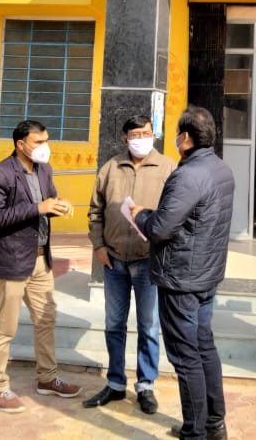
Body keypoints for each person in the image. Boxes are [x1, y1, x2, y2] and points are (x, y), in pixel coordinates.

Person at [130, 106, 234, 440]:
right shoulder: (221, 169)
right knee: (204, 348)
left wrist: (139, 214)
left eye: (177, 133)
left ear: (185, 137)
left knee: (186, 356)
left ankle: (195, 432)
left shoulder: (187, 175)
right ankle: (214, 424)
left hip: (181, 278)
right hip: (205, 274)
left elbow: (160, 229)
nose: (175, 139)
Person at [0, 119, 81, 412]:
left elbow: (49, 202)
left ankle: (47, 378)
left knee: (46, 320)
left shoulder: (44, 169)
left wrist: (59, 205)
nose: (45, 147)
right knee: (5, 328)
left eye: (46, 141)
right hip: (11, 261)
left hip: (41, 260)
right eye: (39, 142)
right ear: (20, 144)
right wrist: (39, 207)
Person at [84, 115, 175, 414]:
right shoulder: (110, 168)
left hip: (149, 260)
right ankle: (115, 383)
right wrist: (99, 245)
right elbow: (95, 210)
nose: (141, 139)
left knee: (148, 325)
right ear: (125, 138)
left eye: (146, 133)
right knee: (114, 325)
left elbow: (175, 213)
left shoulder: (168, 168)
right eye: (135, 134)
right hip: (114, 261)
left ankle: (145, 385)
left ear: (154, 135)